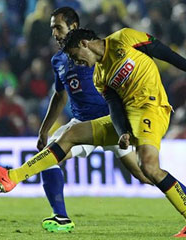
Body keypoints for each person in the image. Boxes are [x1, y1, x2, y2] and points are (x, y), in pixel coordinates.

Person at [0, 27, 186, 237]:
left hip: (151, 108)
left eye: (74, 56)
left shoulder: (124, 38)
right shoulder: (99, 76)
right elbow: (114, 107)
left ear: (84, 44)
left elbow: (164, 52)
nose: (76, 62)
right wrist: (122, 131)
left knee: (149, 168)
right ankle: (12, 176)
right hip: (127, 115)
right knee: (70, 134)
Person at [37, 7, 152, 233]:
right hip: (81, 127)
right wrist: (44, 129)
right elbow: (60, 96)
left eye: (58, 28)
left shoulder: (99, 51)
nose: (54, 34)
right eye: (52, 29)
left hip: (112, 123)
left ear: (74, 28)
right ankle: (60, 216)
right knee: (48, 157)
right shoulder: (58, 60)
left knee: (146, 173)